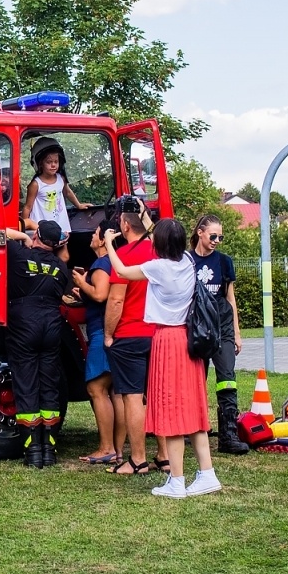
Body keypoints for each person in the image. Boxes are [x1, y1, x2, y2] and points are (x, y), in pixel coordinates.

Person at [108, 217, 220, 498]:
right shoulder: (187, 261)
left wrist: (110, 243)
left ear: (157, 242)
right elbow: (166, 234)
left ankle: (177, 480)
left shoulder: (156, 268)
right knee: (192, 408)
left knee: (170, 410)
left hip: (167, 340)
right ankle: (207, 473)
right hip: (188, 340)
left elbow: (121, 269)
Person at [0, 219, 73, 468]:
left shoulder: (19, 254)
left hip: (23, 323)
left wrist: (22, 235)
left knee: (26, 384)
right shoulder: (61, 268)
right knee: (49, 386)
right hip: (52, 325)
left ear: (37, 235)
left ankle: (33, 453)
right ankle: (49, 451)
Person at [103, 196, 165, 477]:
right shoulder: (161, 254)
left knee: (132, 397)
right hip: (159, 334)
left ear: (125, 225)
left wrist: (107, 334)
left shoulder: (125, 257)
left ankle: (138, 459)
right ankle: (164, 456)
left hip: (129, 334)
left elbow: (116, 301)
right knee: (156, 397)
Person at [189, 215, 248, 454]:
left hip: (222, 326)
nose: (216, 241)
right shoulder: (186, 260)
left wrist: (236, 332)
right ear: (200, 233)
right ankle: (191, 429)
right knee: (194, 381)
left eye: (220, 237)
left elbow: (230, 299)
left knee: (227, 378)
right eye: (213, 236)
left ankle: (228, 435)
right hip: (197, 328)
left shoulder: (224, 262)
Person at [71, 219, 122, 464]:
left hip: (101, 332)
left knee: (96, 389)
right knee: (114, 392)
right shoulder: (115, 262)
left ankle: (106, 448)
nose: (91, 236)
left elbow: (101, 295)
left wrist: (81, 283)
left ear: (103, 240)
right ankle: (117, 448)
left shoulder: (101, 264)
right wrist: (84, 291)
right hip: (114, 331)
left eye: (95, 233)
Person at [23, 140, 86, 236]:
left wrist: (79, 205)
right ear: (41, 163)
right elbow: (28, 207)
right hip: (41, 228)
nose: (53, 165)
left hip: (61, 225)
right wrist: (23, 227)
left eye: (56, 161)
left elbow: (67, 192)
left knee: (62, 248)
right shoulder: (36, 184)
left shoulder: (61, 179)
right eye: (49, 162)